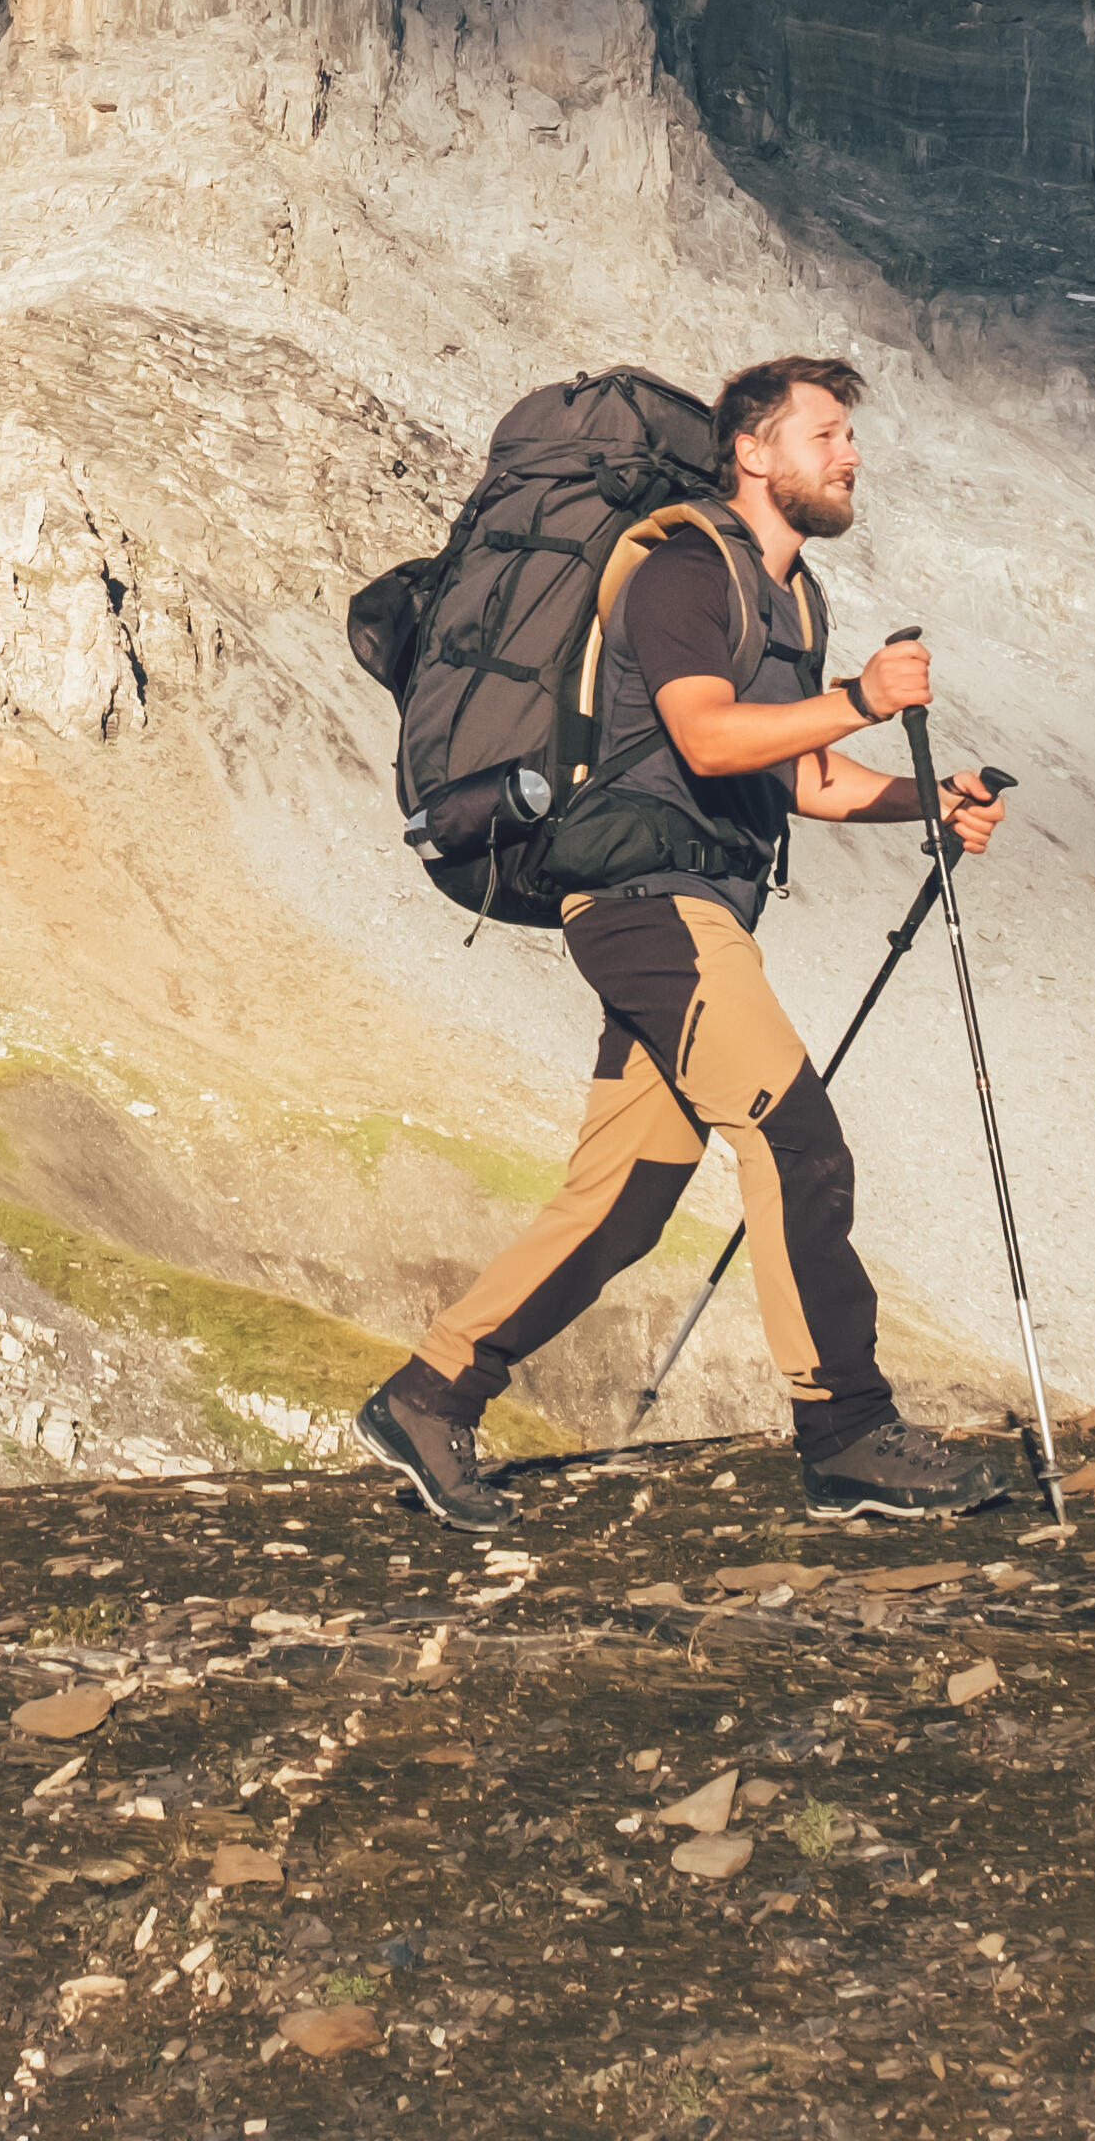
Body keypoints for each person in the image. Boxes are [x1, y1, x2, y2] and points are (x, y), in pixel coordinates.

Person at [360, 353, 1010, 1524]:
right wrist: (864, 698)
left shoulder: (792, 598)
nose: (851, 454)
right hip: (645, 902)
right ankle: (848, 1435)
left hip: (695, 903)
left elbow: (800, 775)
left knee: (625, 1197)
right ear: (753, 451)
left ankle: (429, 1394)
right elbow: (707, 738)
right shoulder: (681, 569)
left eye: (850, 435)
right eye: (826, 433)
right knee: (797, 1139)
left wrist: (931, 798)